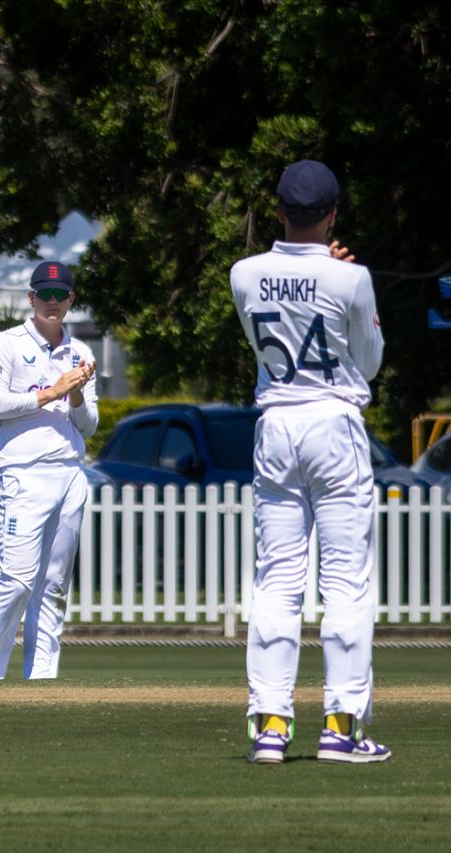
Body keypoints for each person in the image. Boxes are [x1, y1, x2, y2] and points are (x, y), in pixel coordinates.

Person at [231, 160, 390, 764]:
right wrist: (343, 280)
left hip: (275, 425)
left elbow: (267, 340)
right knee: (345, 580)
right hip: (332, 424)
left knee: (276, 579)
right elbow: (369, 363)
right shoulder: (352, 278)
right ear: (332, 215)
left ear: (278, 211)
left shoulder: (243, 273)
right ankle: (341, 726)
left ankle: (270, 724)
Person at [0, 261, 97, 680]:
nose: (52, 302)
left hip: (70, 472)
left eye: (61, 296)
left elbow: (89, 425)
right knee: (18, 581)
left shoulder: (82, 353)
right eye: (45, 295)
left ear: (72, 299)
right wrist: (52, 392)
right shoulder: (6, 343)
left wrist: (75, 396)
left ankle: (42, 677)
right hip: (23, 474)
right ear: (31, 298)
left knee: (54, 584)